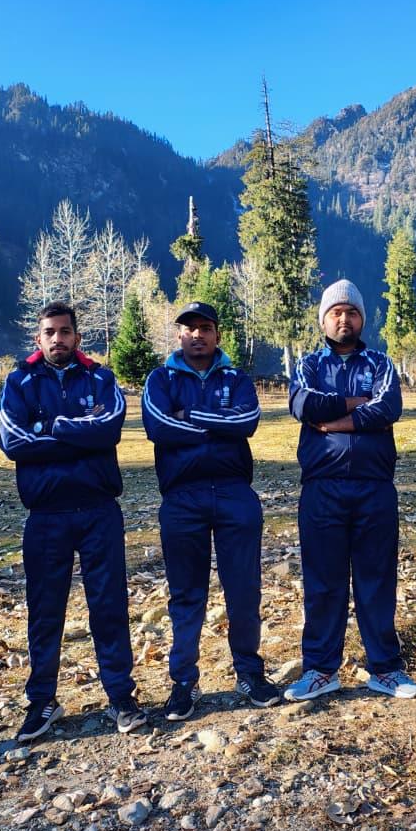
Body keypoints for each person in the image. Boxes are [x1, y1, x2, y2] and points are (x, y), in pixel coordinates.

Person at [0, 302, 144, 740]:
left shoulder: (101, 378)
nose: (57, 339)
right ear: (38, 338)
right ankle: (42, 701)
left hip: (99, 510)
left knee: (109, 606)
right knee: (45, 611)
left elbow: (109, 429)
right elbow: (13, 441)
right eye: (50, 332)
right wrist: (78, 431)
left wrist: (49, 428)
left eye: (65, 331)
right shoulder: (19, 382)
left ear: (77, 337)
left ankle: (120, 696)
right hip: (46, 515)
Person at [282, 279, 416, 702]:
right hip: (321, 487)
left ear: (362, 319)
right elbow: (303, 406)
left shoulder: (380, 363)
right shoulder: (307, 365)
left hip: (374, 487)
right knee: (323, 582)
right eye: (336, 312)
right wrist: (357, 403)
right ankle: (321, 670)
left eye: (352, 312)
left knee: (376, 580)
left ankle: (385, 669)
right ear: (324, 320)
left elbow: (389, 407)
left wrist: (337, 420)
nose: (344, 319)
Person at [141, 301, 278, 720]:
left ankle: (249, 672)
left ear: (217, 334)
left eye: (205, 327)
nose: (197, 334)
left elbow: (247, 421)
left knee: (244, 589)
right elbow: (158, 426)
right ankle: (184, 682)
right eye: (189, 328)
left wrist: (189, 416)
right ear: (179, 335)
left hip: (235, 493)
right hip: (182, 497)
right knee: (186, 594)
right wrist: (218, 423)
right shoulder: (160, 379)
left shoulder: (237, 378)